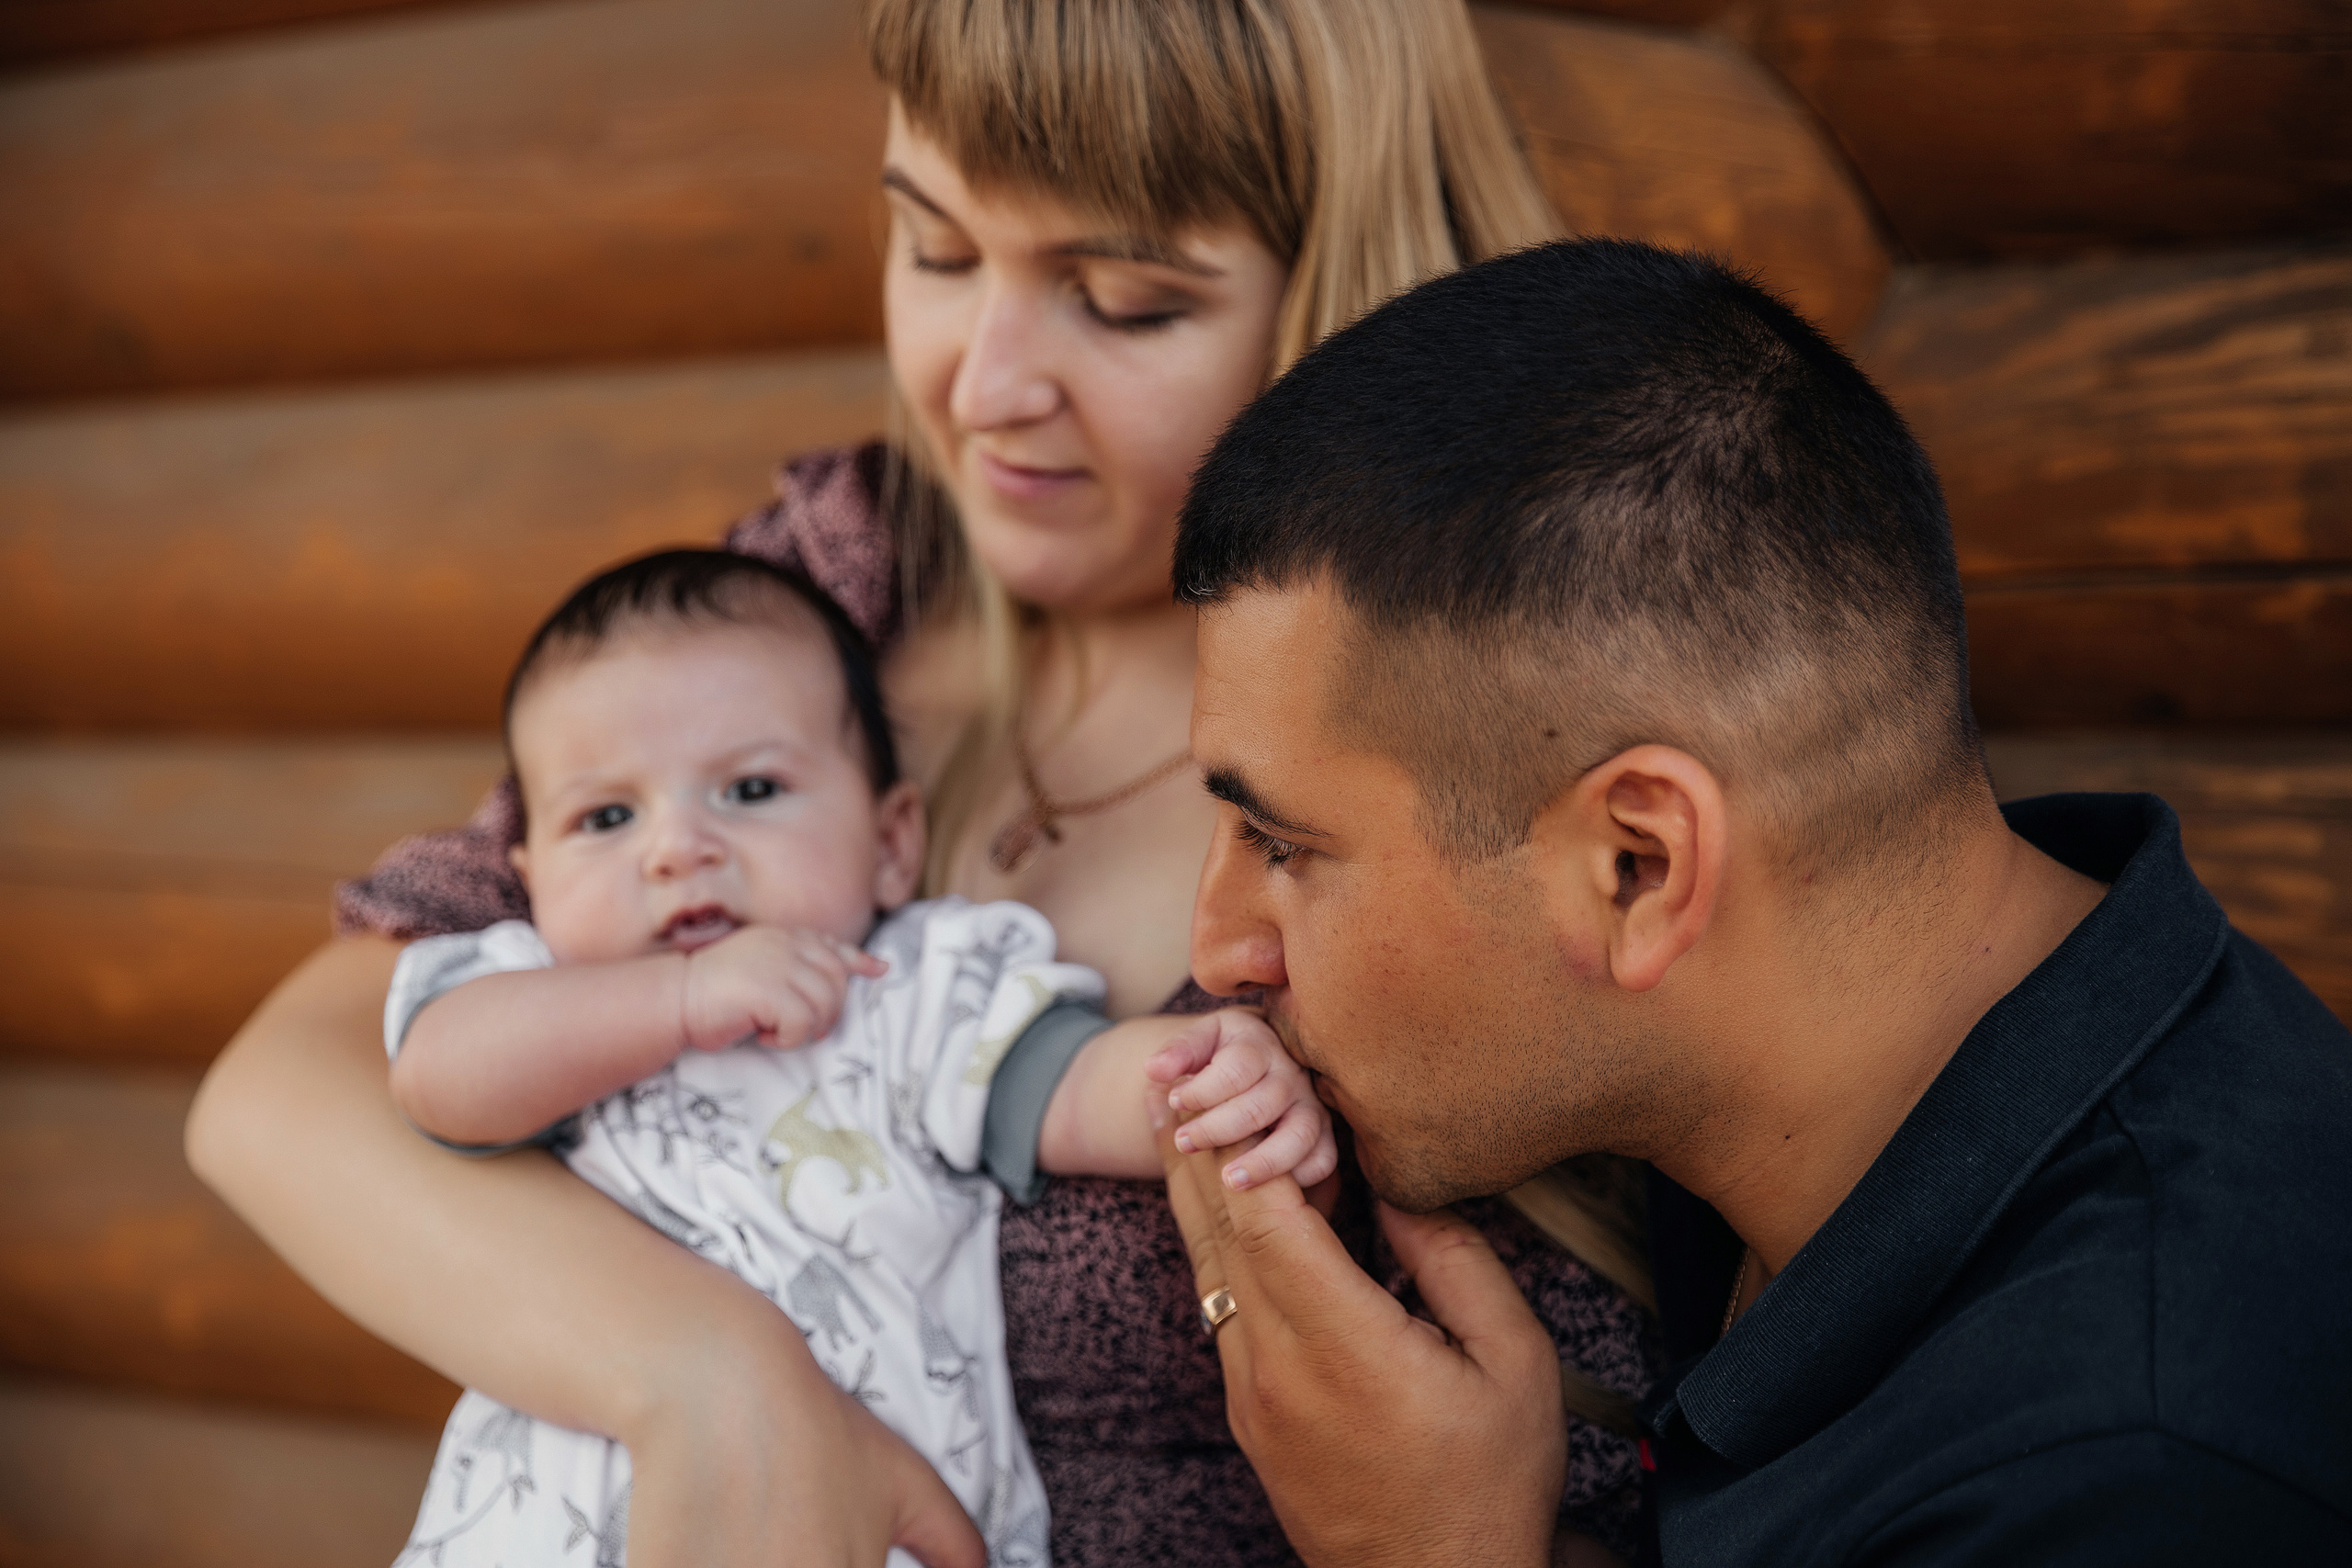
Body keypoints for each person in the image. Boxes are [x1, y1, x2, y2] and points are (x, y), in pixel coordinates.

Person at [186, 3, 1657, 1563]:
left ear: (1341, 309)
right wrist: (717, 1379)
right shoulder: (842, 582)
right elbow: (292, 1084)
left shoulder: (1489, 763)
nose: (984, 384)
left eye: (1120, 300)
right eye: (937, 252)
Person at [1158, 237, 2352, 1565]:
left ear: (1641, 866)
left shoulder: (2135, 1475)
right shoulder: (1823, 1065)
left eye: (1280, 840)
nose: (1214, 949)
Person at [380, 549, 1329, 1566]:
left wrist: (1205, 1075)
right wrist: (681, 999)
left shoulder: (906, 988)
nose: (675, 849)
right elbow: (438, 1079)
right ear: (528, 877)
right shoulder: (537, 993)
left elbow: (1067, 1086)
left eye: (749, 789)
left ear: (888, 841)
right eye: (606, 817)